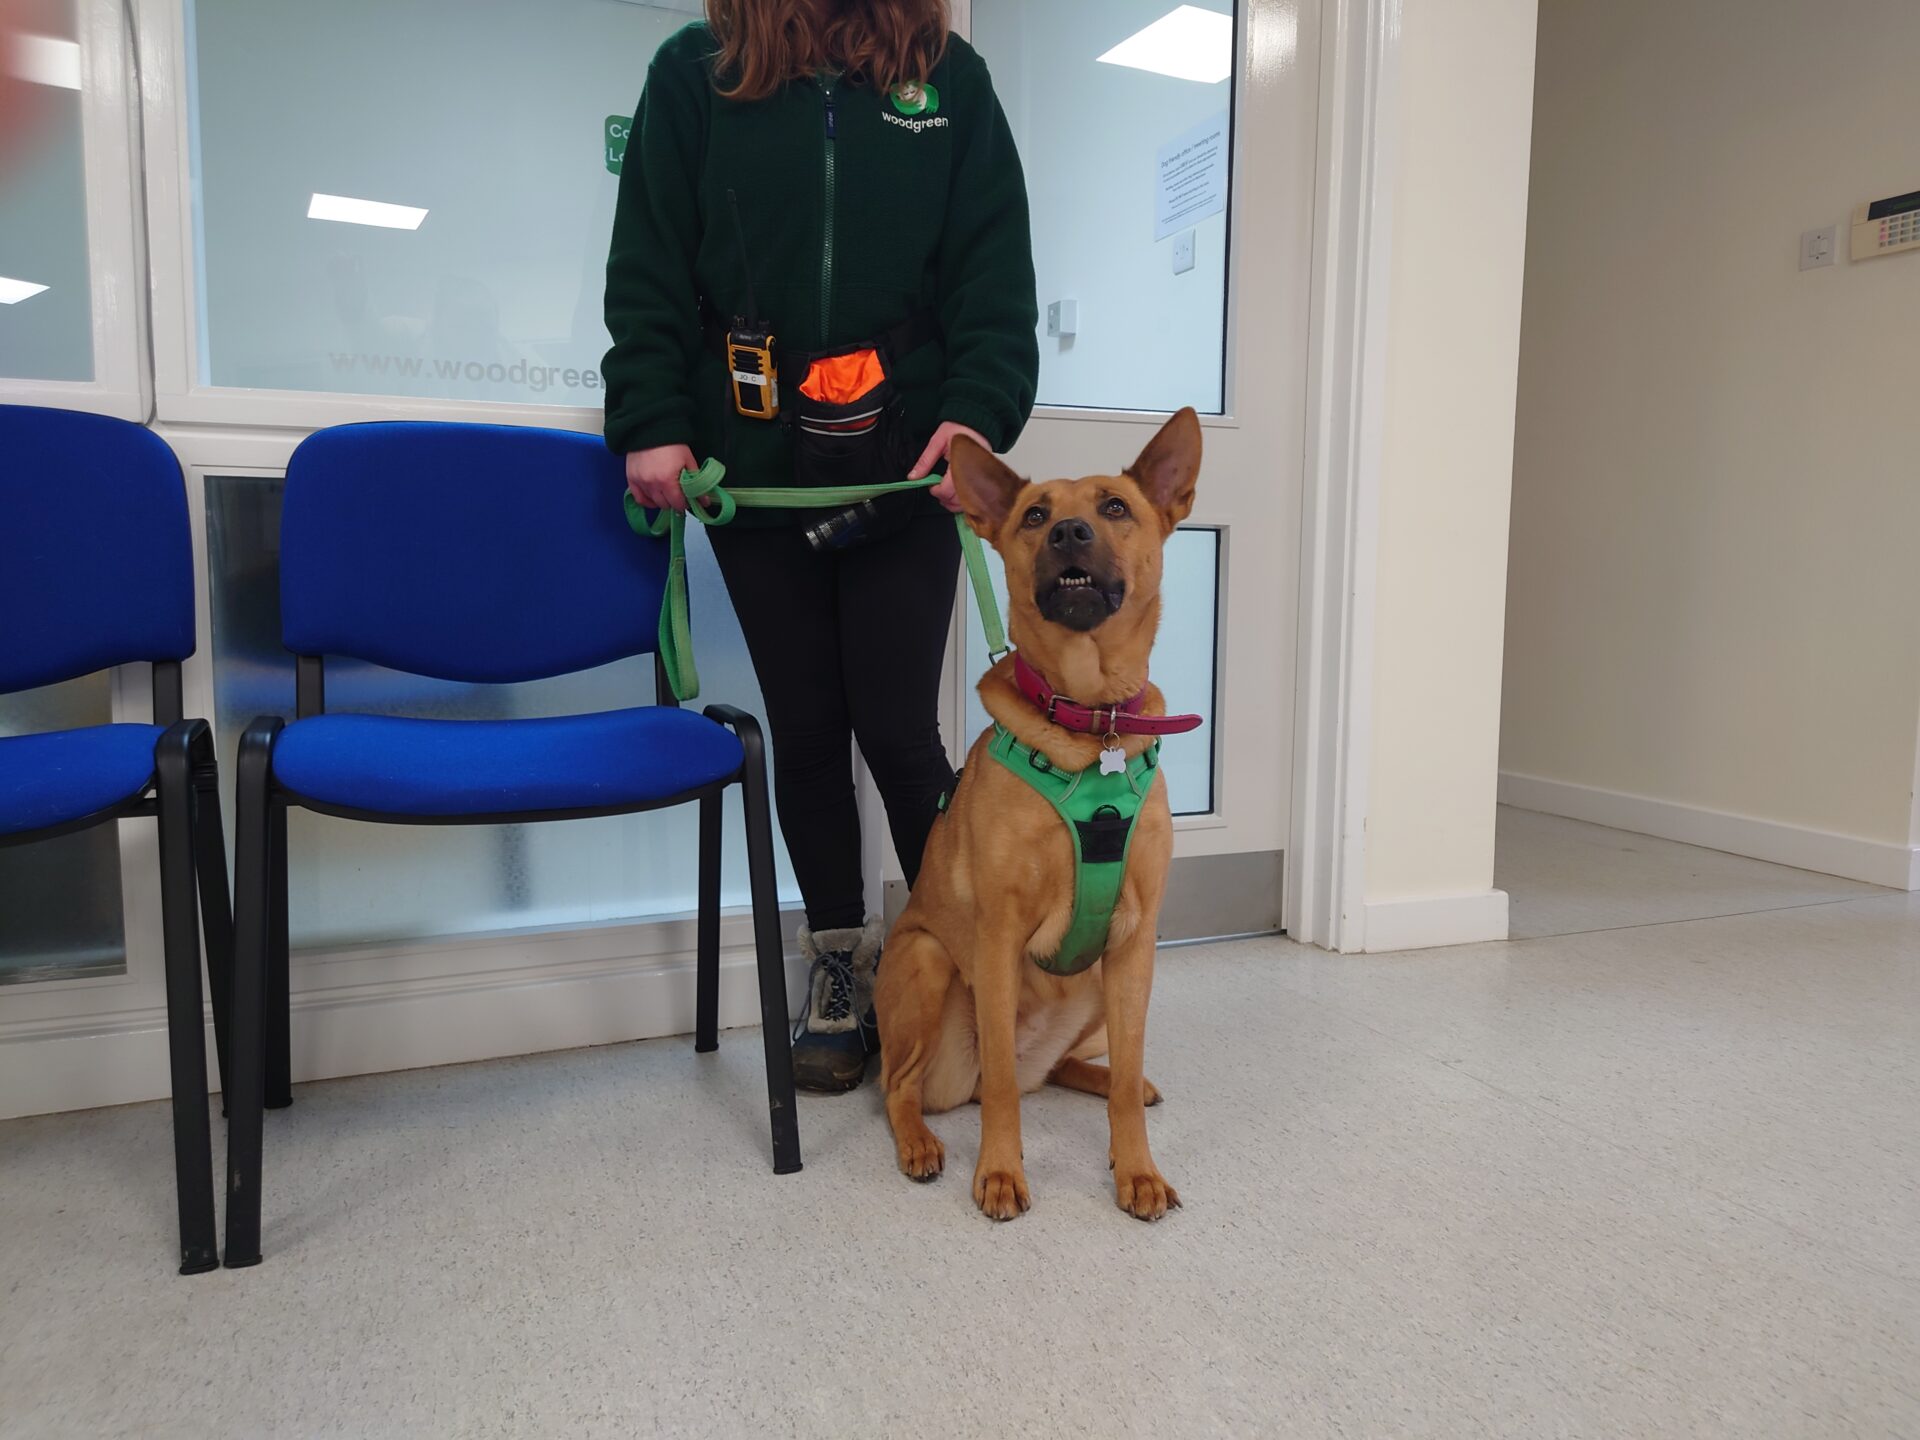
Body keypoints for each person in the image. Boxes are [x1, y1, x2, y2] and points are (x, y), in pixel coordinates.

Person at [603, 0, 1038, 1093]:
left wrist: (978, 413)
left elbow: (993, 280)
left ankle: (956, 956)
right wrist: (652, 415)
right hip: (754, 465)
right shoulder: (695, 75)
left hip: (908, 466)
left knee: (899, 729)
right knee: (806, 729)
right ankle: (838, 964)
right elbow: (651, 265)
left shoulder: (951, 82)